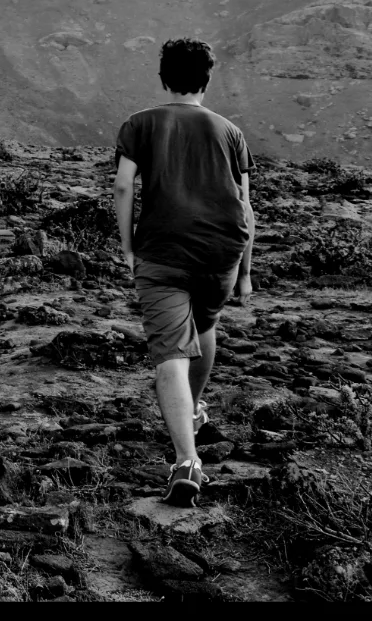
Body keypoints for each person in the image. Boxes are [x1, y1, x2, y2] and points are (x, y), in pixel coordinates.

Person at [112, 38, 254, 507]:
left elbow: (123, 186)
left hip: (163, 249)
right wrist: (246, 272)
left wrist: (128, 246)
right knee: (205, 324)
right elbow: (246, 205)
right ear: (206, 80)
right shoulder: (230, 131)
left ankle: (187, 460)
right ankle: (192, 412)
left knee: (171, 352)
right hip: (223, 250)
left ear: (163, 79)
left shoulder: (141, 124)